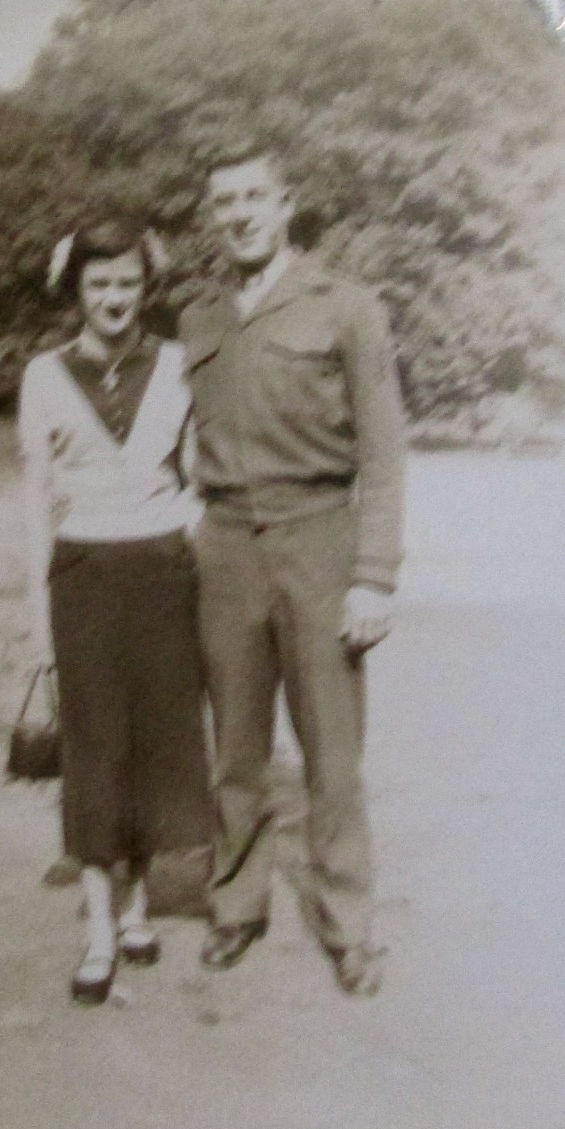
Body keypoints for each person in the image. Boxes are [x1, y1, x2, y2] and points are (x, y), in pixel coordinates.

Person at [179, 147, 405, 995]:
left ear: (284, 206)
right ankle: (236, 905)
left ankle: (348, 924)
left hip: (317, 539)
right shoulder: (198, 318)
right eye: (221, 200)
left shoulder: (344, 307)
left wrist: (373, 574)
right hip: (227, 544)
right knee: (234, 748)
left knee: (331, 752)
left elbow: (383, 454)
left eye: (251, 197)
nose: (236, 213)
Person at [18, 218, 212, 1004]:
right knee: (94, 749)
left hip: (164, 568)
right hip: (84, 574)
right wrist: (37, 620)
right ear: (76, 291)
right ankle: (98, 928)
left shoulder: (174, 365)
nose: (113, 298)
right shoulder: (42, 374)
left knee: (157, 741)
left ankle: (138, 909)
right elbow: (35, 503)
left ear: (146, 286)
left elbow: (196, 477)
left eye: (127, 283)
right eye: (98, 284)